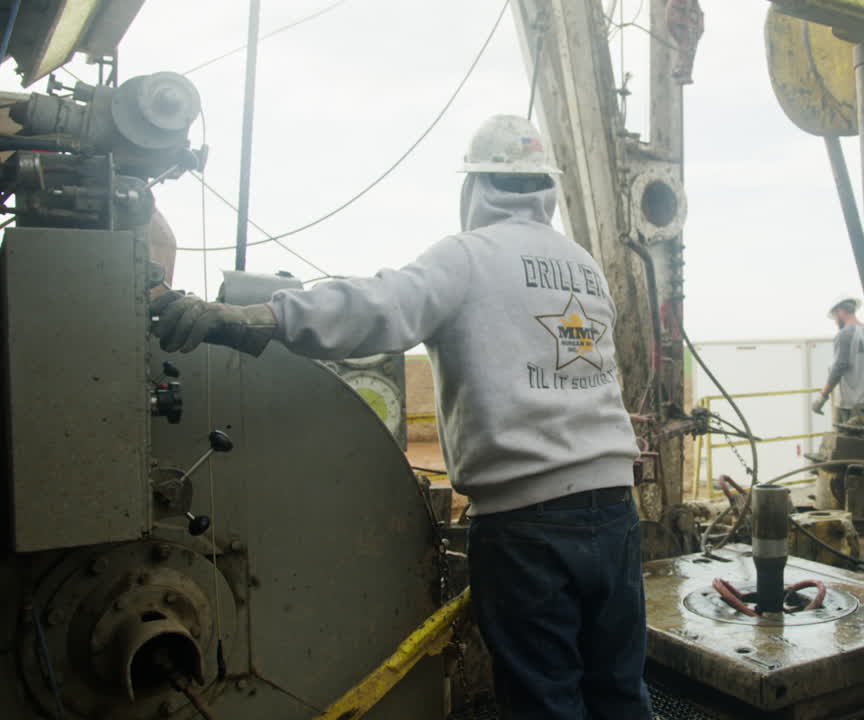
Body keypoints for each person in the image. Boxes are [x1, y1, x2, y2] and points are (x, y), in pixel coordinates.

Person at [150, 115, 652, 720]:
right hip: (615, 511)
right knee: (620, 691)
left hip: (529, 527)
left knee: (546, 700)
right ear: (545, 186)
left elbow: (371, 308)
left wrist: (250, 318)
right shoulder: (585, 267)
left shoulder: (466, 258)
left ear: (475, 188)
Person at [812, 295, 864, 425]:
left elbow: (839, 367)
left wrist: (822, 397)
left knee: (852, 442)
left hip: (852, 405)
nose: (835, 321)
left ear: (840, 311)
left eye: (834, 316)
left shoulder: (845, 334)